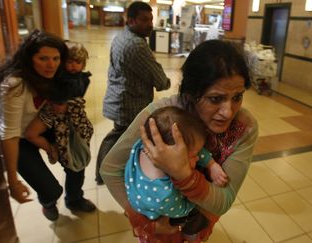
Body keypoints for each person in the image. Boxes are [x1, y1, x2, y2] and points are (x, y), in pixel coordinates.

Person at [100, 39, 258, 242]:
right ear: (191, 93)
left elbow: (224, 200)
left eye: (237, 97)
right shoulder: (163, 118)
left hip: (199, 223)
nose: (228, 112)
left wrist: (182, 174)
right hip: (157, 226)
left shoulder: (244, 127)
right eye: (215, 99)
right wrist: (142, 219)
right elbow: (110, 169)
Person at [0, 29, 76, 221]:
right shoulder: (14, 85)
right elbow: (9, 133)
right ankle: (48, 203)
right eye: (43, 58)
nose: (51, 65)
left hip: (36, 127)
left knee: (76, 161)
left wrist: (48, 143)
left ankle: (75, 198)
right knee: (51, 190)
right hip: (16, 138)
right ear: (29, 59)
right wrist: (13, 182)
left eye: (56, 58)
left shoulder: (51, 77)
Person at [125, 106, 228, 242]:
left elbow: (193, 147)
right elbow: (184, 210)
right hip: (160, 220)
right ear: (169, 160)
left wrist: (211, 164)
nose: (198, 158)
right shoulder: (166, 194)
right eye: (193, 156)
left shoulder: (144, 146)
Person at [95, 1, 171, 185]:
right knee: (121, 139)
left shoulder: (123, 36)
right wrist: (165, 80)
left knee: (117, 136)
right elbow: (161, 81)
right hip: (129, 104)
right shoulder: (136, 45)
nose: (150, 24)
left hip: (119, 97)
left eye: (151, 19)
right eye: (144, 20)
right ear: (130, 20)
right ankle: (109, 174)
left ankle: (103, 173)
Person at [25, 79, 96, 215]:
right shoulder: (49, 113)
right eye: (53, 103)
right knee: (51, 184)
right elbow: (31, 134)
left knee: (77, 174)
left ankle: (74, 200)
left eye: (61, 103)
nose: (57, 107)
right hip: (59, 146)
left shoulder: (75, 106)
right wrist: (51, 148)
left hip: (73, 146)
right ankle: (51, 204)